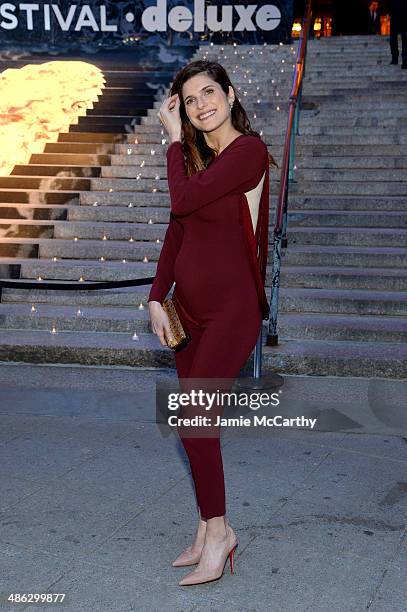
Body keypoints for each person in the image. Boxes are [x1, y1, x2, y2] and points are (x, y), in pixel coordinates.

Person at [147, 59, 277, 586]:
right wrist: (157, 296)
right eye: (189, 100)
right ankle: (207, 527)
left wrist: (173, 140)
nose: (201, 106)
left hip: (232, 310)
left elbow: (182, 198)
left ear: (228, 92)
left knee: (196, 419)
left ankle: (220, 532)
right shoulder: (199, 161)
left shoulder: (248, 151)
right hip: (189, 311)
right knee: (191, 423)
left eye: (208, 93)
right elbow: (178, 228)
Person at [388, 0, 407, 67]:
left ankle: (405, 60)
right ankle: (395, 58)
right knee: (393, 39)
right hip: (395, 17)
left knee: (404, 39)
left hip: (404, 17)